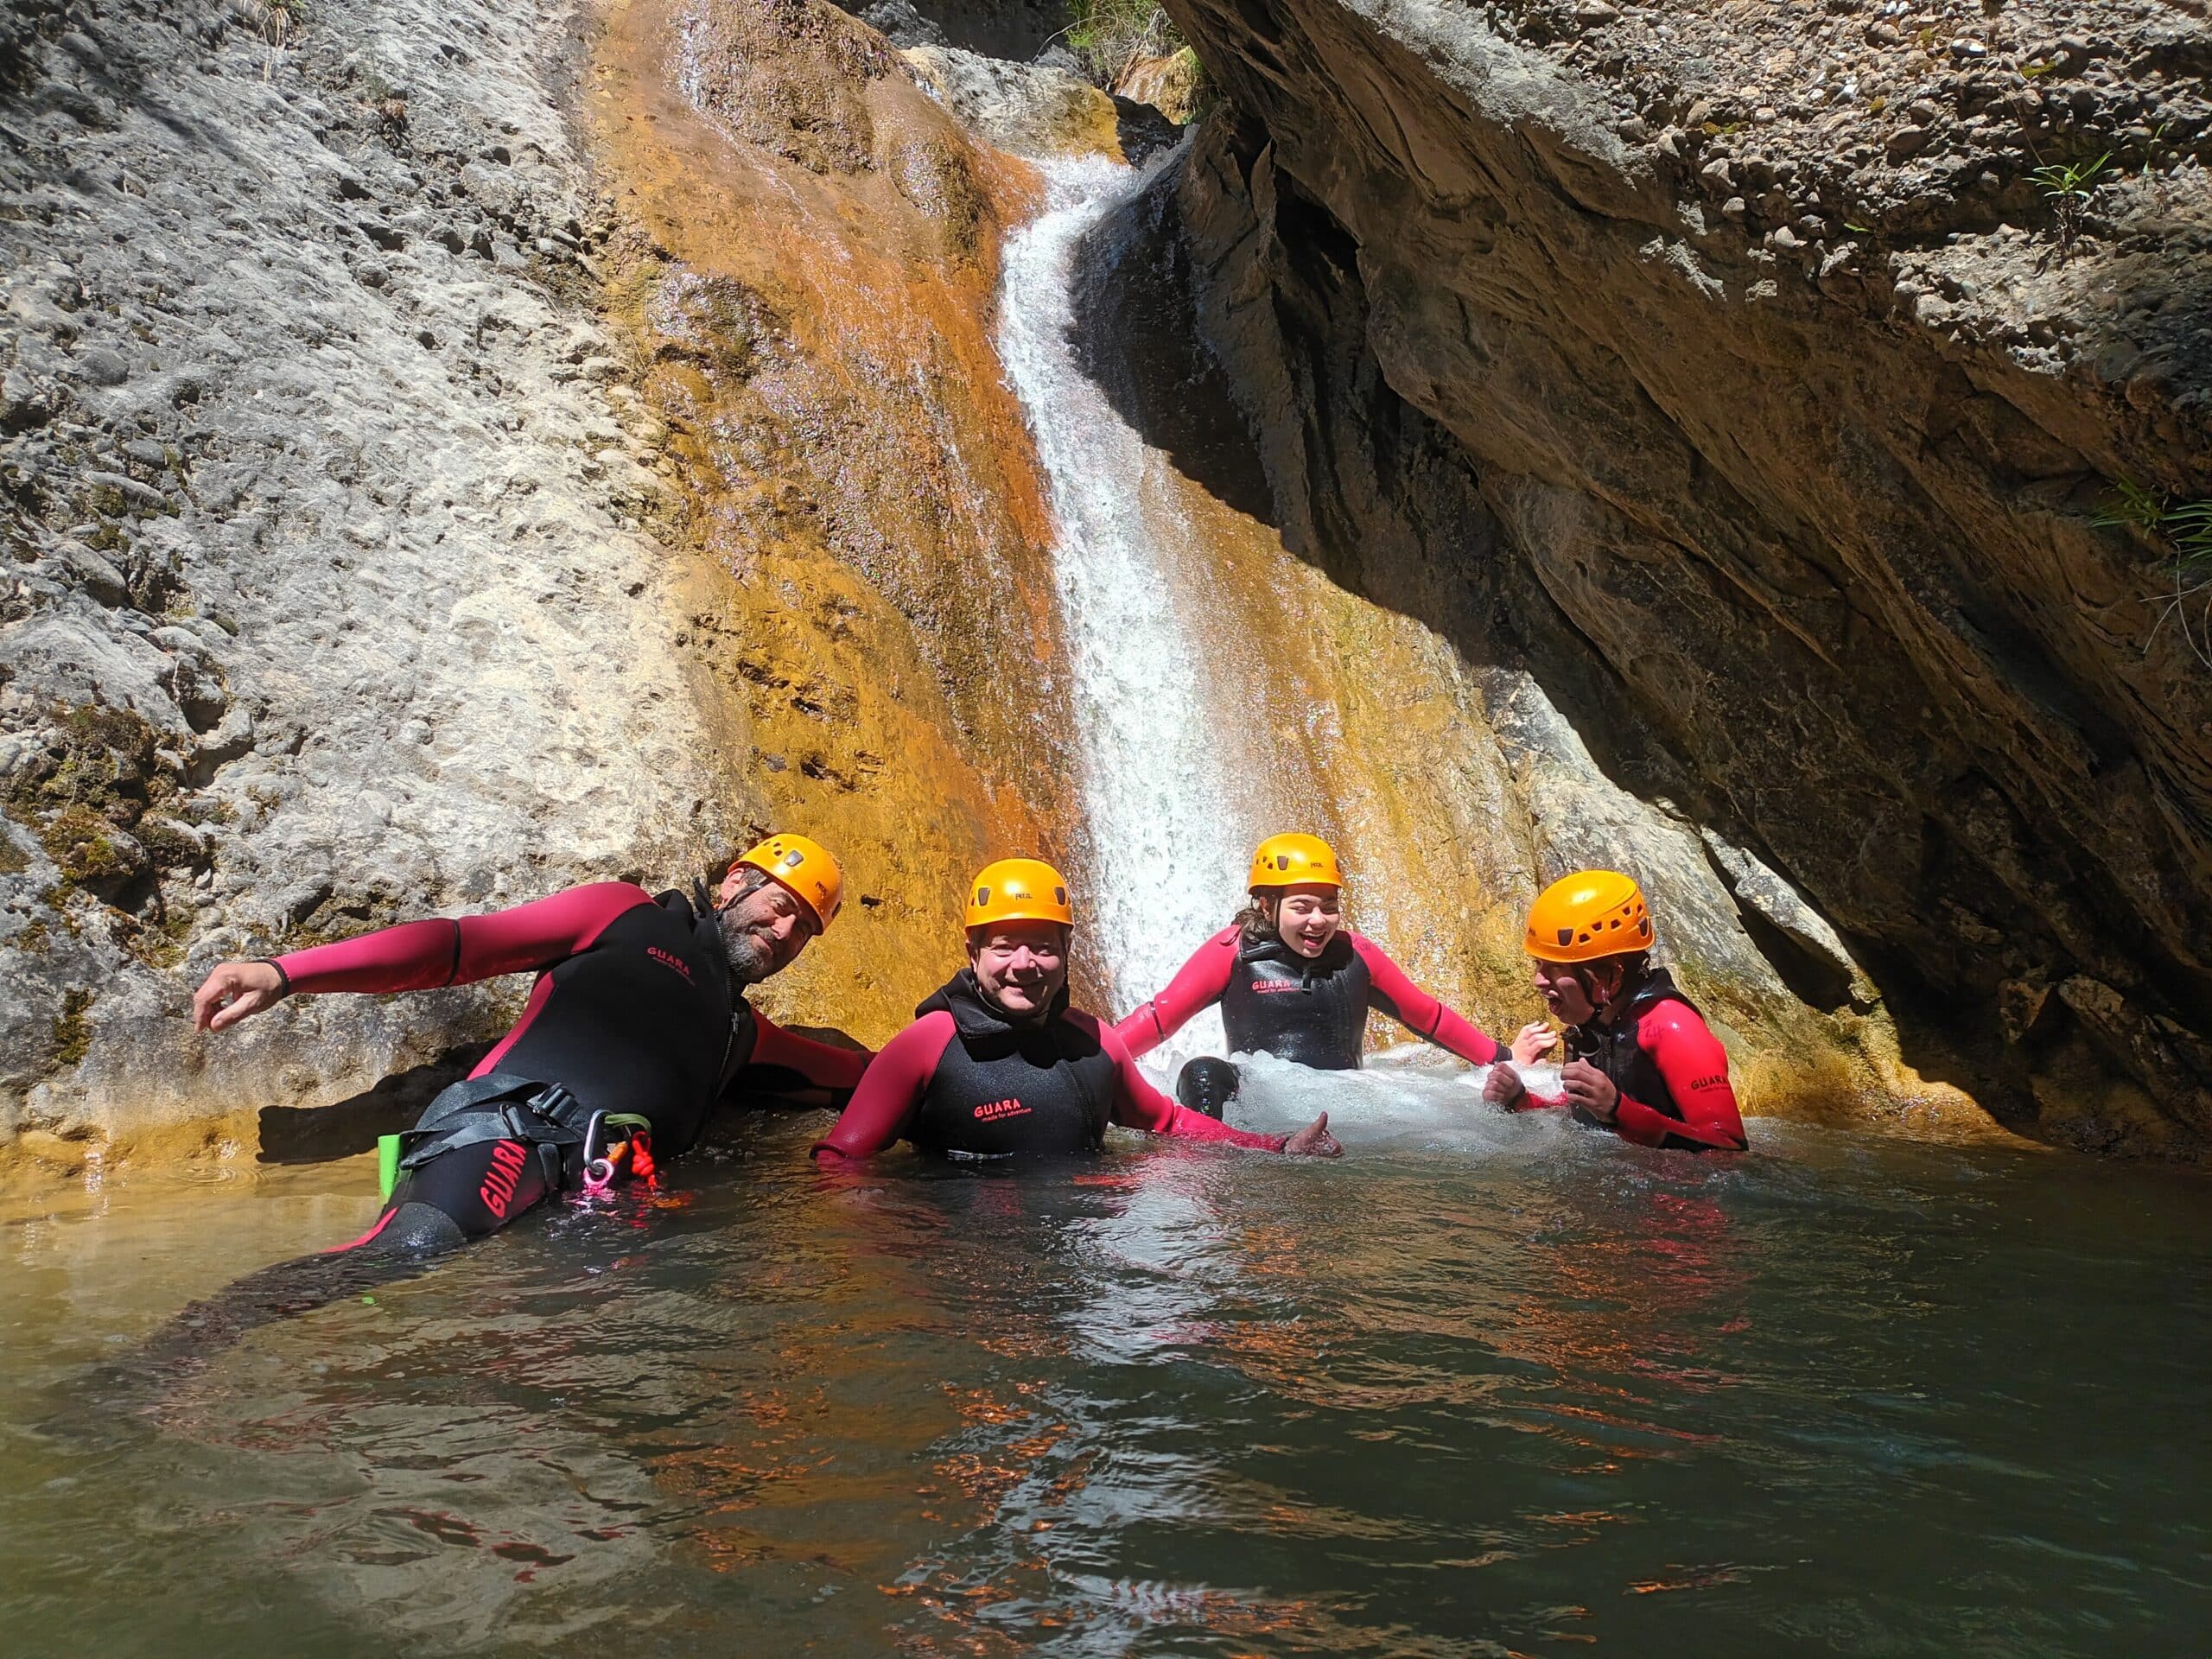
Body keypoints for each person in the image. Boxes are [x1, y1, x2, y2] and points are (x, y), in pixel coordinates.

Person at [190, 832, 871, 1255]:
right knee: (402, 1255)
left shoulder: (742, 1036)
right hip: (511, 1136)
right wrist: (286, 974)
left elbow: (869, 1075)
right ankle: (177, 1360)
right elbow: (457, 947)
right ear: (733, 884)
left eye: (804, 928)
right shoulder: (622, 913)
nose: (784, 932)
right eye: (779, 907)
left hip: (602, 1202)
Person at [813, 858, 1341, 1161]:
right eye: (1003, 946)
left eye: (1043, 946)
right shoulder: (926, 1045)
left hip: (1079, 1263)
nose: (1025, 964)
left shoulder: (1094, 1040)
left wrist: (1275, 1145)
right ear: (973, 954)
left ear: (1066, 955)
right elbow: (840, 1162)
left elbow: (1168, 1121)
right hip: (963, 1273)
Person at [1112, 833, 1546, 1116]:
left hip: (1348, 1104)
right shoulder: (1232, 950)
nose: (1318, 920)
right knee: (1202, 1073)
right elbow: (1159, 1017)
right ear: (1267, 905)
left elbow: (1427, 1016)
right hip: (1260, 1101)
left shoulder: (1357, 954)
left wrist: (1505, 1058)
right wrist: (1092, 1059)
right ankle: (1211, 1163)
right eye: (1302, 907)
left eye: (1329, 906)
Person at [1481, 869, 1748, 1152]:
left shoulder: (1673, 1027)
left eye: (1556, 967)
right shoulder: (1592, 1027)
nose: (1538, 980)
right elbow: (1587, 1115)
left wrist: (1619, 1110)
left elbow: (1729, 1149)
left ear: (1610, 975)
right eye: (1538, 964)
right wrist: (1522, 1101)